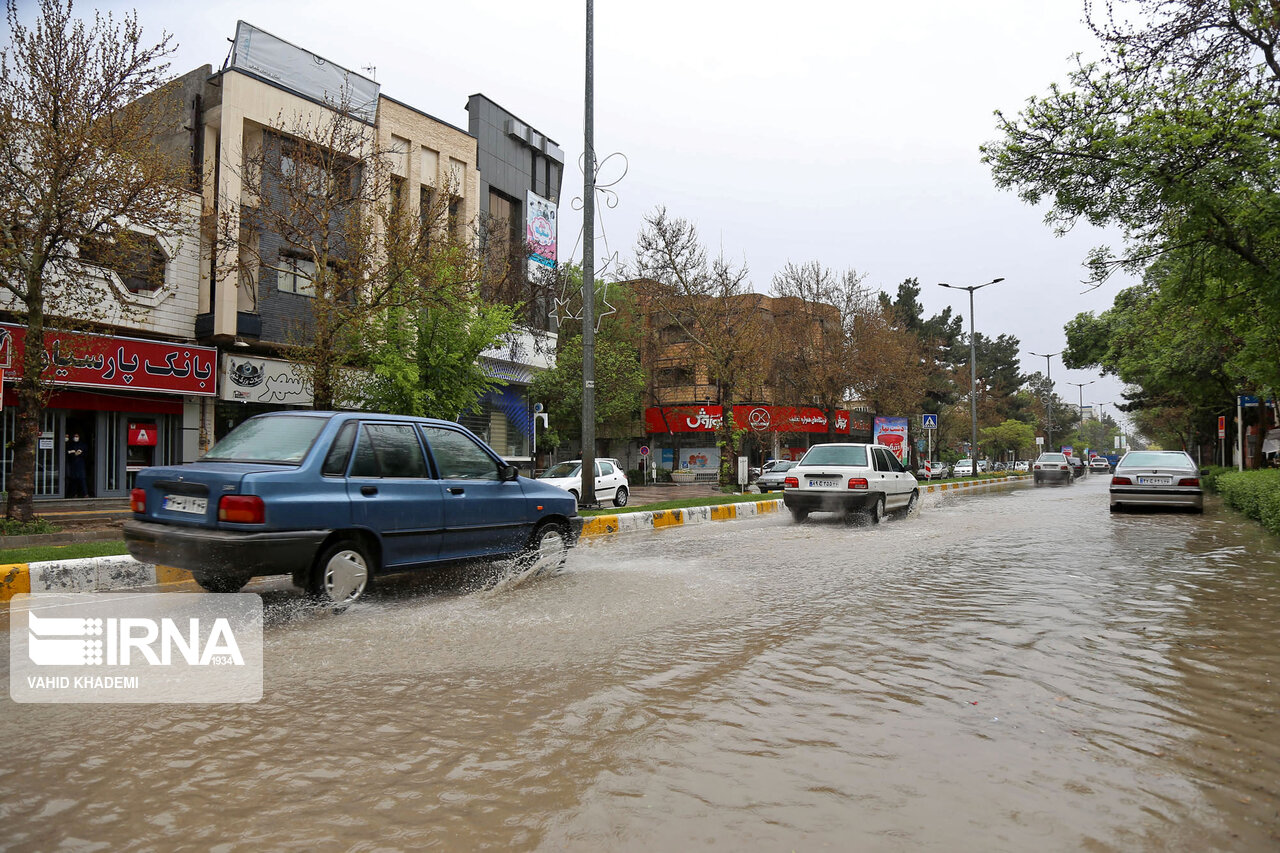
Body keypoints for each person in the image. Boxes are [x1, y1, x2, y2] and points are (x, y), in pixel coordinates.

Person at [66, 432, 88, 498]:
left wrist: (80, 453)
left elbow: (86, 454)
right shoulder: (70, 445)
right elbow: (67, 453)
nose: (76, 438)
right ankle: (74, 493)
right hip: (73, 464)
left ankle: (85, 493)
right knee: (74, 479)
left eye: (77, 436)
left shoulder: (83, 445)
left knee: (82, 479)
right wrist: (72, 453)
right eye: (75, 436)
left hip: (81, 464)